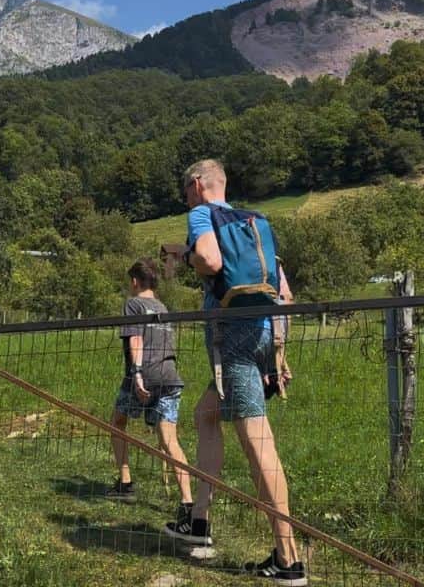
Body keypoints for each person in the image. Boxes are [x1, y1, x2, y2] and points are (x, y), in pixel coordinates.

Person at [163, 159, 307, 586]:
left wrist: (189, 253)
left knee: (258, 441)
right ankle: (200, 519)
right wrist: (278, 352)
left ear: (196, 185)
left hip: (234, 341)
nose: (185, 197)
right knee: (206, 415)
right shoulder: (254, 220)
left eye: (185, 190)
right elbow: (285, 293)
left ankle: (288, 558)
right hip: (261, 334)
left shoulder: (202, 214)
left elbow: (207, 260)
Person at [106, 257, 193, 524]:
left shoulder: (134, 304)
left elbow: (136, 339)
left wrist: (137, 373)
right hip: (169, 375)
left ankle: (125, 480)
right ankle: (188, 502)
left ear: (134, 281)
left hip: (144, 375)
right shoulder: (163, 307)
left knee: (117, 423)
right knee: (170, 441)